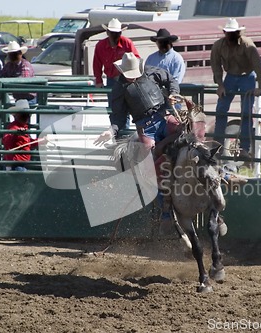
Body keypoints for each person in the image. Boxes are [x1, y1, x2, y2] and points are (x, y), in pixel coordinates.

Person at [93, 52, 181, 234]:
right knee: (148, 165)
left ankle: (219, 174)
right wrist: (110, 131)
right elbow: (118, 116)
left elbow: (171, 80)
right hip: (145, 127)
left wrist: (173, 93)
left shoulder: (151, 72)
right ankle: (165, 213)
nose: (132, 78)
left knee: (187, 135)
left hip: (165, 116)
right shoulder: (119, 88)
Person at [210, 18, 261, 161]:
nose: (230, 35)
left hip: (247, 76)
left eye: (233, 32)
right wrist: (220, 85)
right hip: (230, 77)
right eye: (228, 32)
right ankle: (218, 146)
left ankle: (244, 149)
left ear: (238, 33)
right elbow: (216, 66)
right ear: (224, 32)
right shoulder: (218, 46)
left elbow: (258, 64)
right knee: (221, 109)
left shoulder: (247, 44)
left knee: (246, 112)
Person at [93, 18, 140, 91]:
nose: (115, 35)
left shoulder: (127, 43)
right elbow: (97, 64)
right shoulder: (100, 46)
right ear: (107, 32)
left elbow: (136, 59)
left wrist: (134, 75)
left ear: (120, 33)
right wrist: (98, 80)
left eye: (117, 33)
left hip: (127, 78)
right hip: (111, 78)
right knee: (114, 101)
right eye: (112, 32)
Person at [2, 99, 37, 171]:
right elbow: (6, 142)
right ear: (16, 116)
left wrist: (40, 141)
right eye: (23, 115)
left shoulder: (23, 128)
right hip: (15, 164)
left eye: (27, 115)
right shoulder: (13, 128)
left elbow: (27, 143)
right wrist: (16, 134)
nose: (26, 118)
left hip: (20, 163)